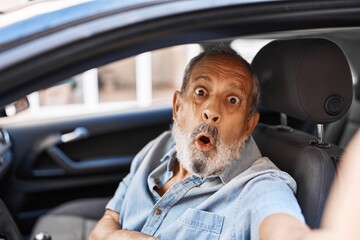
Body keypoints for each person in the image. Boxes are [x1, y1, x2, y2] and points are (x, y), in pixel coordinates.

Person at [88, 45, 330, 240]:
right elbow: (108, 219)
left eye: (232, 99)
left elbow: (281, 225)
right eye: (201, 92)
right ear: (177, 107)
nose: (212, 111)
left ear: (249, 125)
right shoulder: (158, 148)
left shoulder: (259, 186)